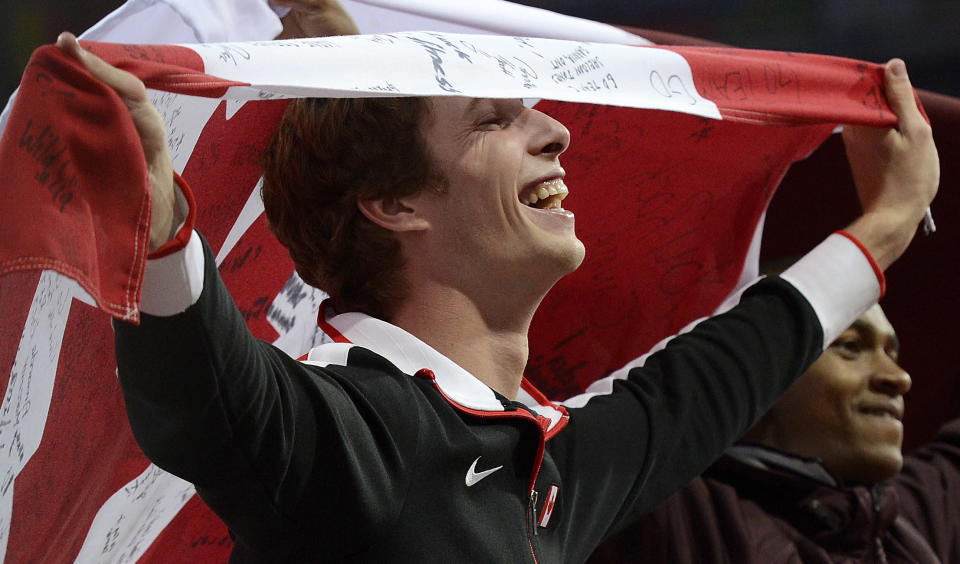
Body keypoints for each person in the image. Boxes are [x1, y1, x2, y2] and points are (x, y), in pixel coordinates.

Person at [52, 21, 939, 562]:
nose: (555, 131)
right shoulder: (353, 431)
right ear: (395, 203)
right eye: (495, 121)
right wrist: (161, 221)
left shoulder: (548, 465)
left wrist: (893, 217)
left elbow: (720, 371)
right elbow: (205, 391)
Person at [588, 304, 960, 563]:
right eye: (850, 347)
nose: (898, 378)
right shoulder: (669, 507)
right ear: (759, 370)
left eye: (891, 352)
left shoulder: (904, 518)